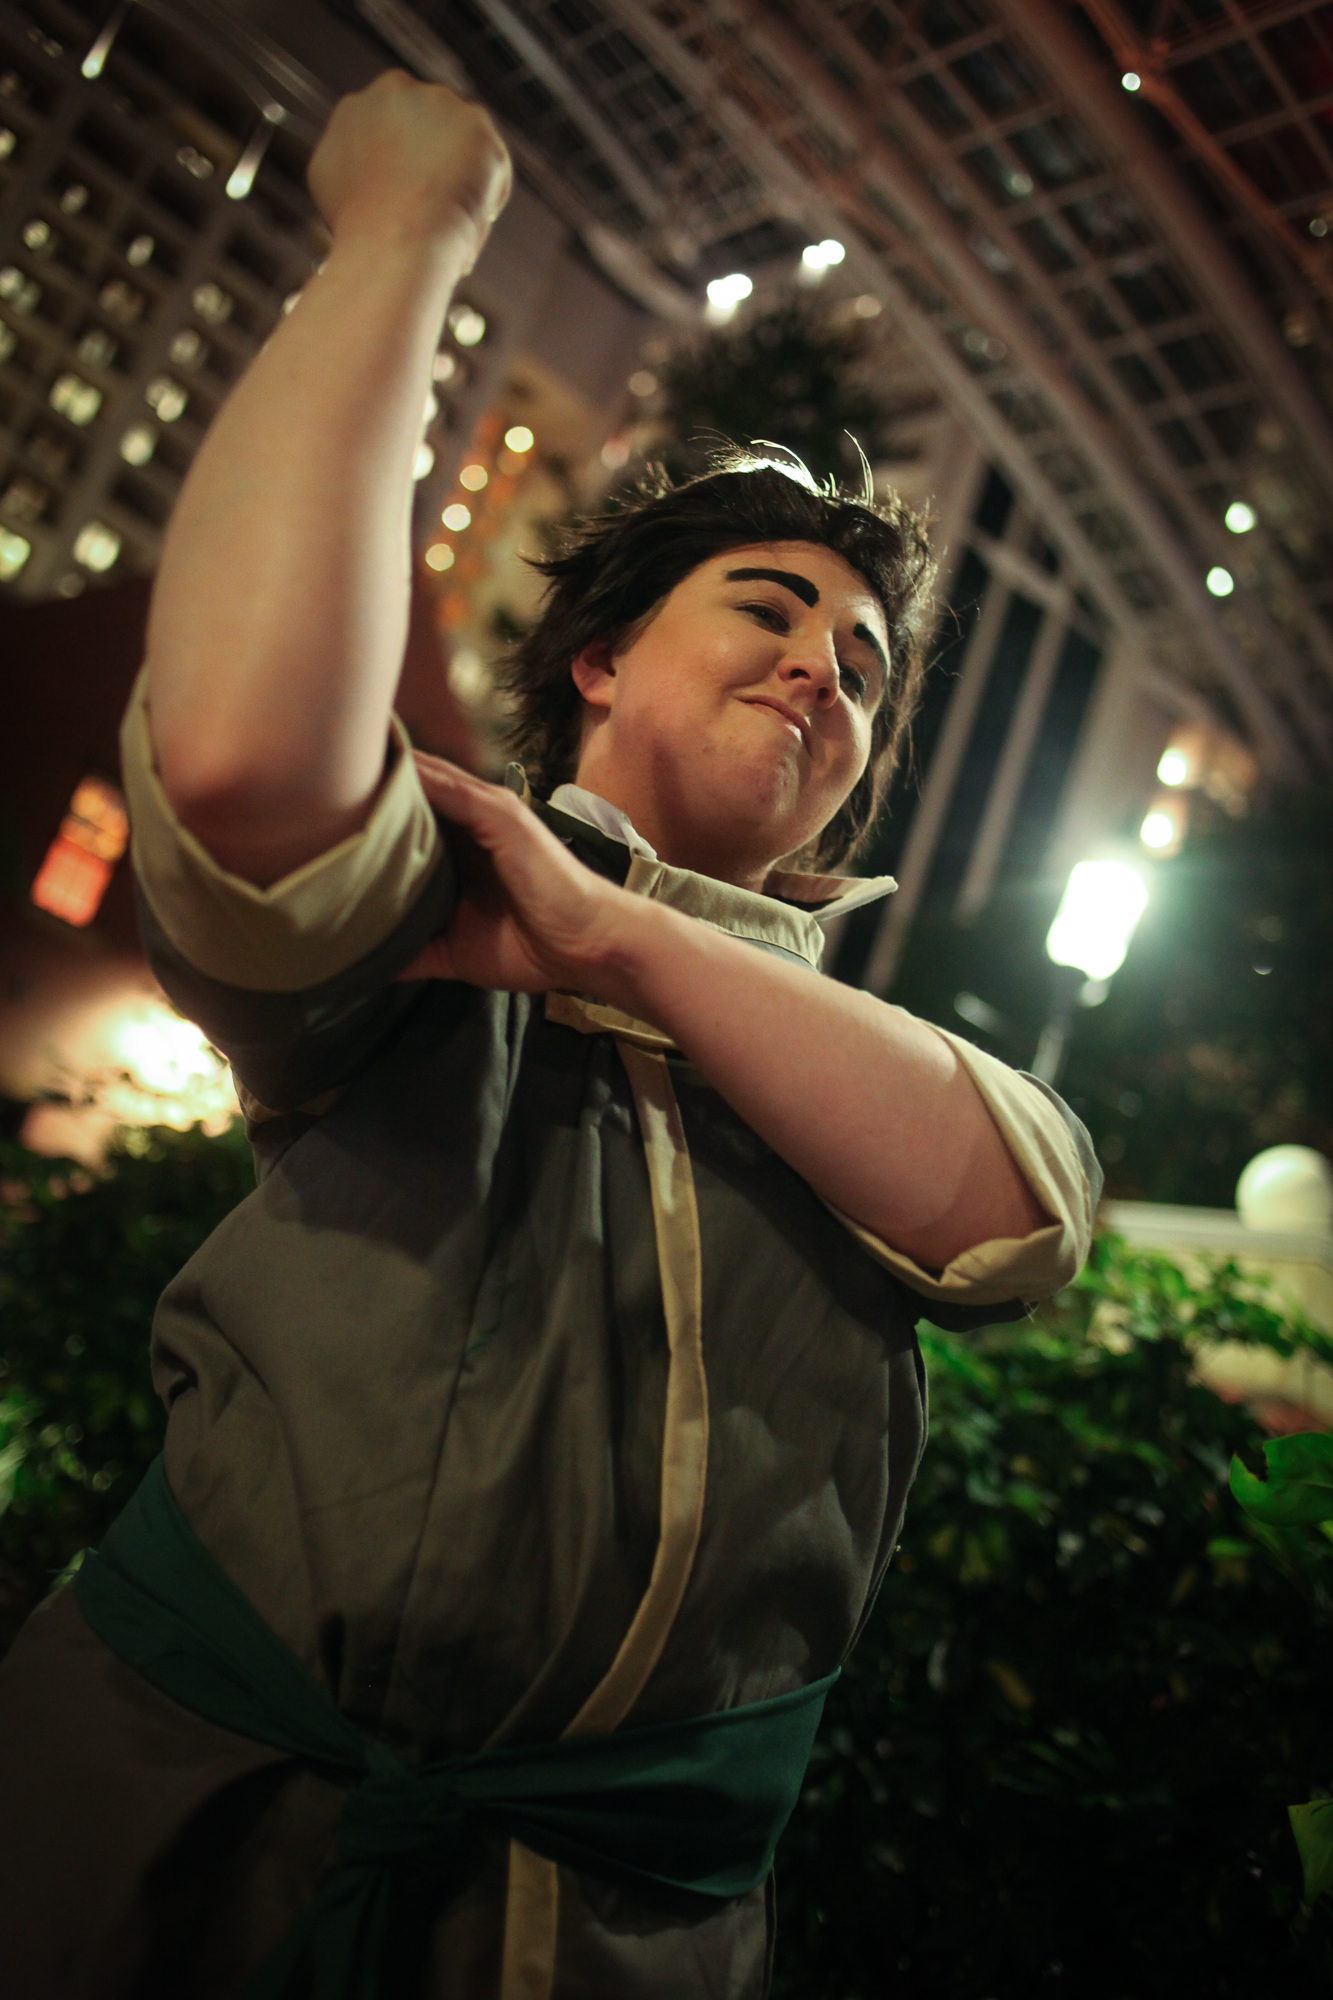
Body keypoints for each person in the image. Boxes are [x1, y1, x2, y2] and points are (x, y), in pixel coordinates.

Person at [0, 72, 1098, 2000]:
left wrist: (614, 940)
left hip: (615, 1939)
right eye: (769, 611)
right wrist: (406, 230)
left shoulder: (866, 1059)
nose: (821, 670)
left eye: (864, 671)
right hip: (174, 1850)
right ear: (598, 660)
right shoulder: (435, 896)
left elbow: (1018, 1213)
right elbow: (243, 757)